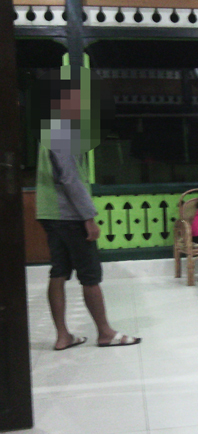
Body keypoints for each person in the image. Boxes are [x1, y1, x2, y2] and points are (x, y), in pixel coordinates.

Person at [36, 76, 141, 350]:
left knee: (58, 272)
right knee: (90, 275)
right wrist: (89, 217)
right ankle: (105, 332)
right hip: (69, 215)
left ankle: (63, 336)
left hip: (49, 212)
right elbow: (70, 179)